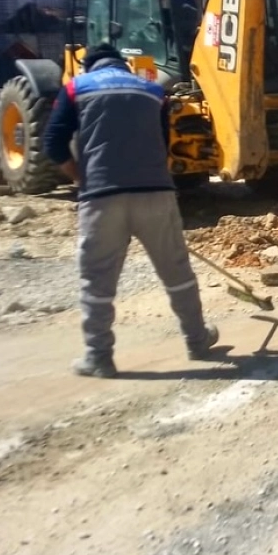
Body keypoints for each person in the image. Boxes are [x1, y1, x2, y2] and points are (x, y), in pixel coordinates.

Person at [43, 43, 219, 378]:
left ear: (89, 66)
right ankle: (197, 341)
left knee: (97, 280)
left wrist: (82, 178)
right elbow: (164, 142)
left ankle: (98, 357)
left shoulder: (75, 88)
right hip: (156, 193)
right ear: (124, 65)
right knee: (177, 274)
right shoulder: (153, 91)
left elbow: (52, 143)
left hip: (101, 197)